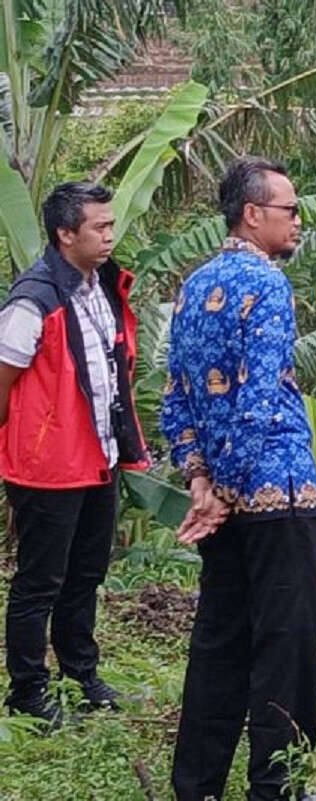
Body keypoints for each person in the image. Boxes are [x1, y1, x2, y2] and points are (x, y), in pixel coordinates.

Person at [162, 157, 316, 801]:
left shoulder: (194, 285)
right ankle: (278, 786)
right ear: (253, 215)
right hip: (278, 493)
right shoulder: (266, 285)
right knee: (288, 643)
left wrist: (201, 480)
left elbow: (176, 396)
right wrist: (228, 489)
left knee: (219, 641)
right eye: (289, 210)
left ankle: (197, 783)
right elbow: (259, 398)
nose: (297, 222)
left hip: (224, 499)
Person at [0, 182, 150, 727]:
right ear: (66, 234)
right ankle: (27, 690)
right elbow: (5, 381)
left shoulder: (101, 285)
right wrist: (29, 440)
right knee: (40, 581)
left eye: (111, 225)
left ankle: (79, 673)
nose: (110, 235)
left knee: (85, 574)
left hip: (97, 456)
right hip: (47, 465)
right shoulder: (34, 299)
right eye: (99, 227)